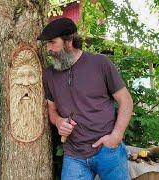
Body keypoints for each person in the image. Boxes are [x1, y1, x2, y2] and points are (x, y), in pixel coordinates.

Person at [38, 17, 133, 180]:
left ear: (69, 41)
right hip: (74, 155)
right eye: (47, 44)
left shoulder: (100, 64)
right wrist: (59, 122)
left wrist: (116, 136)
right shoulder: (49, 75)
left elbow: (126, 101)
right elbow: (51, 110)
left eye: (52, 43)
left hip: (108, 150)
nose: (48, 49)